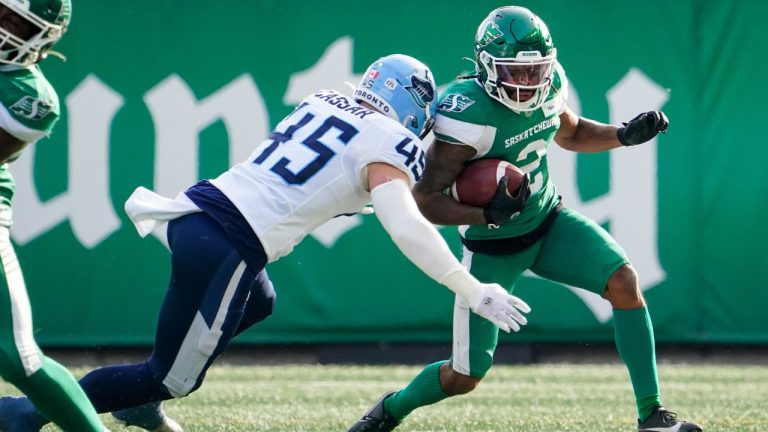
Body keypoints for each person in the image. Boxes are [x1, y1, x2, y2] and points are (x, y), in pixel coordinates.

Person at [0, 54, 532, 431]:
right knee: (173, 378)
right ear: (414, 111)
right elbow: (404, 222)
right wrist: (468, 286)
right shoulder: (390, 140)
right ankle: (30, 414)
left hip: (202, 216)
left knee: (260, 299)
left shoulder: (325, 100)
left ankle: (136, 401)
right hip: (230, 242)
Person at [348, 6, 703, 432]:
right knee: (464, 376)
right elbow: (423, 199)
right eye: (516, 72)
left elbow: (569, 132)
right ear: (486, 65)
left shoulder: (550, 84)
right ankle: (391, 409)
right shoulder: (464, 114)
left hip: (548, 220)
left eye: (536, 70)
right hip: (492, 247)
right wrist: (484, 213)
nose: (529, 81)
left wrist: (621, 135)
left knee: (624, 282)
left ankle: (653, 415)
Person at [0, 0, 108, 431]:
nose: (4, 27)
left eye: (18, 23)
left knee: (16, 355)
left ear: (41, 38)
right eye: (2, 13)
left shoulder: (30, 97)